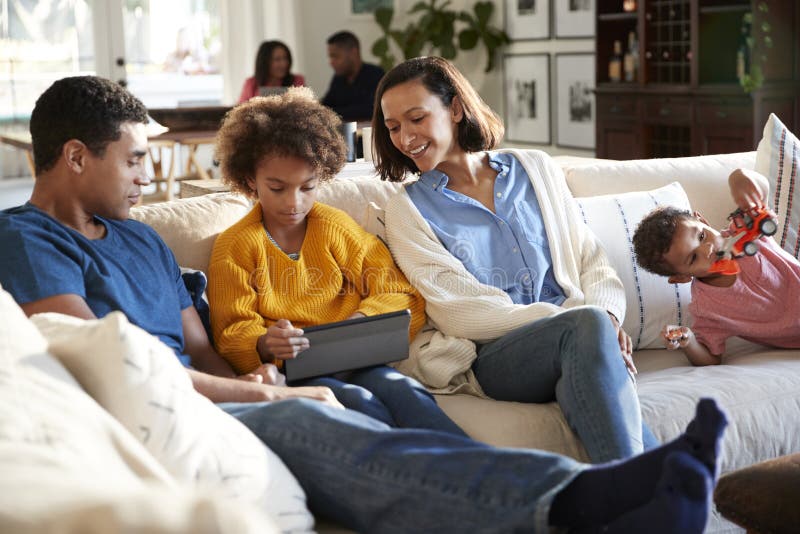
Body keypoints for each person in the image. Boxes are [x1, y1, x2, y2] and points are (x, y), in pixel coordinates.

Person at [0, 75, 727, 534]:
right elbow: (105, 357)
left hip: (231, 386)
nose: (143, 178)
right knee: (326, 418)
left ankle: (596, 500)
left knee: (387, 408)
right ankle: (584, 502)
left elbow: (198, 347)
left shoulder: (143, 243)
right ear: (74, 157)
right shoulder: (28, 240)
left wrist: (250, 377)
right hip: (173, 406)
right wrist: (264, 378)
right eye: (133, 160)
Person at [372, 56, 656, 463]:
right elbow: (460, 313)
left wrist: (608, 318)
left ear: (455, 109)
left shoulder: (535, 168)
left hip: (580, 336)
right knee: (585, 326)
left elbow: (590, 257)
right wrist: (578, 320)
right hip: (497, 358)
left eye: (416, 118)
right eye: (393, 127)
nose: (404, 138)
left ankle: (638, 496)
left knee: (590, 337)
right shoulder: (406, 209)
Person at [208, 88, 466, 435]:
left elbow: (400, 292)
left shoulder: (335, 227)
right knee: (359, 404)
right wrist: (264, 342)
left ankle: (470, 469)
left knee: (407, 394)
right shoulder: (235, 246)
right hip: (296, 373)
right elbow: (230, 333)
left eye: (307, 187)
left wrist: (359, 324)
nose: (294, 203)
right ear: (251, 181)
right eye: (277, 188)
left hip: (357, 360)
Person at [632, 168, 800, 366]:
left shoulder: (742, 230)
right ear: (681, 277)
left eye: (701, 236)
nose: (708, 249)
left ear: (702, 221)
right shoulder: (707, 308)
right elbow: (711, 357)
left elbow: (761, 188)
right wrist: (689, 342)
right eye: (693, 258)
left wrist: (739, 179)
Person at [321, 31, 384, 122]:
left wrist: (333, 112)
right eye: (330, 57)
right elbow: (325, 106)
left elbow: (372, 110)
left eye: (335, 56)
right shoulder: (338, 78)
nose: (331, 62)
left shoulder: (375, 74)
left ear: (353, 52)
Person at [238, 40, 305, 104]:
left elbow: (304, 108)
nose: (284, 64)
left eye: (285, 58)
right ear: (265, 62)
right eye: (277, 59)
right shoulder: (251, 83)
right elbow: (240, 110)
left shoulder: (297, 80)